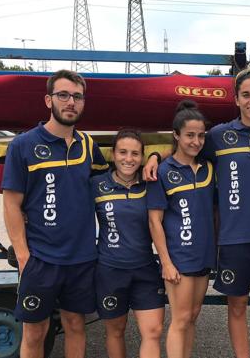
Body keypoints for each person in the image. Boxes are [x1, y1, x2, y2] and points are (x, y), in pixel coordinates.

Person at [145, 68, 250, 358]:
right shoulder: (217, 135)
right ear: (236, 99)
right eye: (245, 95)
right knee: (236, 305)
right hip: (233, 238)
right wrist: (154, 156)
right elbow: (185, 147)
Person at [2, 69, 108, 358]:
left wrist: (151, 159)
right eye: (63, 95)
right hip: (41, 258)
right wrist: (23, 255)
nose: (70, 102)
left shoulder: (88, 146)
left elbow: (112, 184)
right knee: (35, 331)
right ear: (49, 100)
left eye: (77, 96)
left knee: (76, 325)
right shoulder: (23, 145)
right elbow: (11, 203)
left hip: (82, 258)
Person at [147, 100, 216, 358]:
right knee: (180, 319)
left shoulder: (208, 168)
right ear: (176, 135)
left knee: (193, 317)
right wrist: (166, 262)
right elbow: (154, 221)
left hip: (204, 255)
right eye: (189, 135)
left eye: (200, 136)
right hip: (179, 258)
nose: (196, 142)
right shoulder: (162, 172)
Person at [91, 130, 165, 358]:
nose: (128, 158)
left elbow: (177, 145)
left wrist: (156, 156)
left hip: (145, 269)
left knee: (153, 331)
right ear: (113, 154)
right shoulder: (95, 184)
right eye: (122, 152)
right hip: (110, 271)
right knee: (115, 331)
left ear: (142, 157)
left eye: (135, 153)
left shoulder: (150, 182)